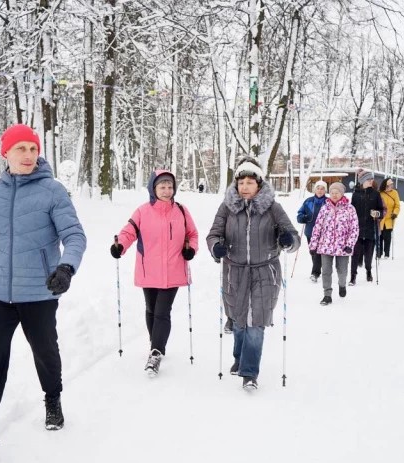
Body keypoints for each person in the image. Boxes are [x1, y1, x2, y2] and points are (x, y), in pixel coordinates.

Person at [0, 124, 87, 463]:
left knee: (45, 352)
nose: (29, 155)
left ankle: (52, 398)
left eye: (33, 148)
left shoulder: (52, 191)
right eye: (21, 149)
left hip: (40, 292)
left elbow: (75, 236)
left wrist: (66, 268)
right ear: (6, 153)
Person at [206, 156, 299, 390]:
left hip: (265, 272)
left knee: (256, 322)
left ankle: (249, 373)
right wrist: (216, 246)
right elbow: (213, 234)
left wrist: (287, 240)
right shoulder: (227, 208)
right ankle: (239, 357)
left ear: (259, 183)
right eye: (241, 182)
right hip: (234, 272)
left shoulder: (273, 208)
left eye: (250, 182)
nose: (245, 187)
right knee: (238, 321)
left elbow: (294, 238)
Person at [110, 170, 199, 375]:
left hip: (173, 270)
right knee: (151, 309)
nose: (167, 191)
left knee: (161, 312)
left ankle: (156, 351)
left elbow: (192, 234)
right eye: (162, 187)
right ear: (153, 188)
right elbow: (128, 232)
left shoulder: (182, 211)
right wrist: (120, 247)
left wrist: (190, 249)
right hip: (147, 269)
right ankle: (155, 343)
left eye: (170, 187)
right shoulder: (142, 211)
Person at [308, 182, 359, 305]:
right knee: (326, 271)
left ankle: (342, 285)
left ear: (342, 194)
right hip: (325, 245)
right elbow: (317, 227)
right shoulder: (325, 208)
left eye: (337, 193)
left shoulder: (350, 209)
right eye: (332, 193)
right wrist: (313, 245)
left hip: (343, 247)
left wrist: (350, 244)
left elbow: (354, 228)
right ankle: (327, 294)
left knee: (342, 271)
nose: (334, 195)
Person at [350, 171, 384, 284]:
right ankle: (353, 276)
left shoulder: (376, 194)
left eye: (371, 179)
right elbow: (351, 211)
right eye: (369, 179)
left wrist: (377, 214)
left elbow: (382, 210)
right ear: (363, 181)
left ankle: (368, 271)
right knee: (355, 254)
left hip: (370, 229)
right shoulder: (355, 194)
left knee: (368, 255)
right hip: (357, 229)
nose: (371, 181)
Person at [296, 180, 328, 282]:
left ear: (325, 190)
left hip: (324, 232)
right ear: (315, 189)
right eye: (318, 188)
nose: (320, 190)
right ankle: (317, 269)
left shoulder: (328, 202)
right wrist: (303, 217)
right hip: (310, 231)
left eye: (322, 188)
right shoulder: (308, 201)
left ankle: (315, 273)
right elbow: (300, 214)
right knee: (313, 252)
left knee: (318, 252)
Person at [378, 178, 401, 258]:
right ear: (386, 185)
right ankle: (378, 253)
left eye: (392, 185)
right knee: (379, 237)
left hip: (389, 219)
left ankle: (387, 254)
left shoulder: (395, 193)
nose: (392, 186)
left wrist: (395, 213)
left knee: (387, 237)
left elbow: (397, 206)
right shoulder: (380, 193)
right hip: (380, 219)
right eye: (390, 185)